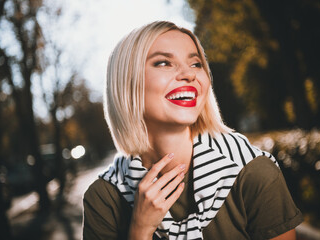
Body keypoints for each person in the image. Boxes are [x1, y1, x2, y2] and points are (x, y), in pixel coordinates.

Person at [82, 21, 303, 240]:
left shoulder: (253, 171)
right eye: (163, 63)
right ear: (126, 83)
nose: (189, 74)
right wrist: (140, 229)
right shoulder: (103, 198)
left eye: (196, 64)